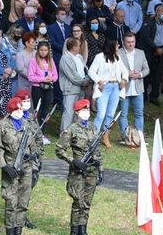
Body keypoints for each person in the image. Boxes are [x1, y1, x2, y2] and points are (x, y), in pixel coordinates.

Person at [55, 99, 104, 235]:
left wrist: (101, 170)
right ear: (77, 113)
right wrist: (73, 161)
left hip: (92, 170)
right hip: (78, 171)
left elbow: (97, 151)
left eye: (87, 110)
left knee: (87, 202)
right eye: (83, 110)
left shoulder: (93, 127)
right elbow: (59, 150)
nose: (86, 112)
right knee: (78, 202)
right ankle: (74, 230)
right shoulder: (71, 129)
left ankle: (83, 229)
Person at [0, 97, 38, 235]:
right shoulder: (3, 125)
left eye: (20, 109)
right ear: (10, 110)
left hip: (27, 168)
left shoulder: (26, 124)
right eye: (16, 109)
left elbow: (33, 145)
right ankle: (10, 231)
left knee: (23, 202)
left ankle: (19, 230)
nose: (19, 111)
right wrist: (4, 166)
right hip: (11, 167)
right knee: (11, 202)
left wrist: (33, 161)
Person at [88, 39, 129, 148]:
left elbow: (125, 71)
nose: (118, 46)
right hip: (104, 88)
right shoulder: (99, 57)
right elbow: (91, 71)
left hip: (115, 87)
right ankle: (94, 137)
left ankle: (105, 136)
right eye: (117, 45)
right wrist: (99, 81)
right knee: (101, 114)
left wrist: (124, 80)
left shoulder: (117, 57)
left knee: (110, 114)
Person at [14, 89, 44, 228]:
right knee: (16, 189)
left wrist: (39, 157)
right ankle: (14, 215)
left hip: (33, 160)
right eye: (23, 101)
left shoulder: (31, 117)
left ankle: (23, 216)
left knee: (27, 189)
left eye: (27, 101)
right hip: (19, 161)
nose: (26, 103)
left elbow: (38, 138)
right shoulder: (15, 118)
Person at [118, 33, 150, 144]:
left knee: (139, 114)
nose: (131, 44)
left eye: (132, 42)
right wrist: (127, 74)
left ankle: (139, 137)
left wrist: (140, 74)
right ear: (124, 42)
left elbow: (147, 69)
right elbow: (115, 69)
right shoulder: (119, 53)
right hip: (124, 89)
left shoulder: (141, 53)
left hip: (138, 88)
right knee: (123, 114)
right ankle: (124, 137)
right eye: (128, 42)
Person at [141, 4, 163, 105]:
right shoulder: (149, 23)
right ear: (157, 12)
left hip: (161, 53)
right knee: (146, 76)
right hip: (150, 52)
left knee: (157, 76)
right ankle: (144, 96)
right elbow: (146, 38)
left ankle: (154, 96)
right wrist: (155, 48)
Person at [60, 38, 90, 130]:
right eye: (79, 45)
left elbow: (85, 70)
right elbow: (73, 76)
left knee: (79, 113)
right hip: (70, 89)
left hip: (81, 89)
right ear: (74, 47)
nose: (80, 47)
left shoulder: (79, 57)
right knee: (69, 113)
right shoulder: (65, 58)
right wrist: (85, 82)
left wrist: (87, 78)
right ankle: (64, 134)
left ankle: (75, 134)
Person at [28, 41, 58, 125]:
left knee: (46, 109)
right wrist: (43, 79)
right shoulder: (33, 61)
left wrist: (51, 79)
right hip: (37, 88)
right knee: (37, 109)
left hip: (48, 87)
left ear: (48, 51)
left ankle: (43, 130)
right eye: (41, 50)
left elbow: (55, 75)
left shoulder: (50, 60)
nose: (43, 52)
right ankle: (35, 128)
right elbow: (30, 77)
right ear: (38, 50)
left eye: (45, 50)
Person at [48, 8, 72, 106]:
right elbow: (52, 42)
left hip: (68, 56)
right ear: (57, 16)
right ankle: (58, 100)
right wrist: (64, 49)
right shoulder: (51, 27)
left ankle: (66, 98)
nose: (64, 16)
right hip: (57, 56)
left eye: (65, 14)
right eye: (62, 14)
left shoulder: (68, 27)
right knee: (57, 77)